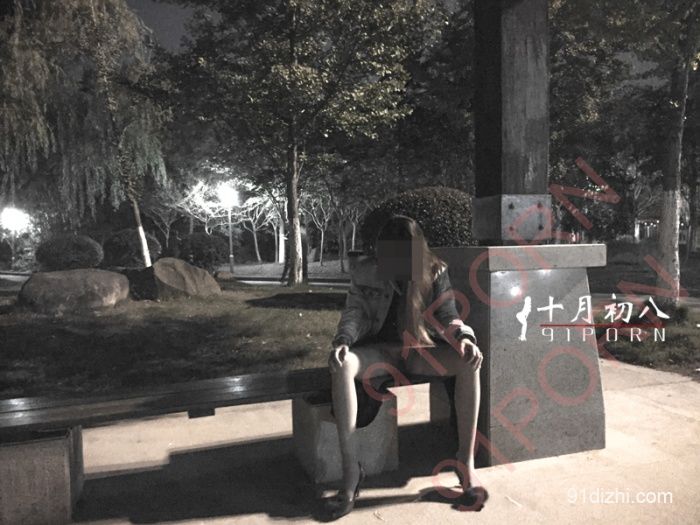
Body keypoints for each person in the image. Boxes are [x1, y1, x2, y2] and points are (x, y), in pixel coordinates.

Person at [323, 214, 488, 519]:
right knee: (343, 364)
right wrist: (343, 340)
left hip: (418, 352)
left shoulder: (434, 270)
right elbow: (355, 312)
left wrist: (464, 338)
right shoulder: (366, 271)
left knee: (468, 362)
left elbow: (448, 315)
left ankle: (466, 464)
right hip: (379, 351)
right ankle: (351, 475)